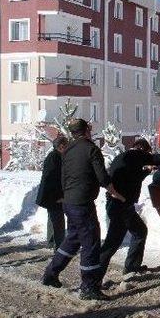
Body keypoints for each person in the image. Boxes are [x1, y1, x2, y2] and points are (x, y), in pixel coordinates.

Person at [42, 119, 125, 301]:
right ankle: (89, 287)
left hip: (69, 202)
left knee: (73, 239)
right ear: (87, 130)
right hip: (82, 204)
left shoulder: (68, 149)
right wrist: (115, 192)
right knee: (91, 243)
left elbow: (64, 176)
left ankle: (50, 273)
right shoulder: (91, 149)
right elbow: (102, 177)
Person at [98, 137, 160, 280]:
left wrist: (147, 171)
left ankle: (132, 266)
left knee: (139, 231)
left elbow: (133, 177)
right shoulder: (135, 155)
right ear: (142, 149)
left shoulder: (123, 157)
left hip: (120, 204)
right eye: (146, 153)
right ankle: (93, 277)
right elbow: (157, 159)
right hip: (120, 205)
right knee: (112, 242)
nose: (146, 157)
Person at [36, 136, 69, 249]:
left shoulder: (55, 156)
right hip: (53, 195)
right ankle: (59, 245)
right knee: (58, 221)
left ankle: (52, 241)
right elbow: (52, 179)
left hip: (51, 195)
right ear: (61, 147)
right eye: (66, 146)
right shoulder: (54, 158)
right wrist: (58, 196)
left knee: (53, 219)